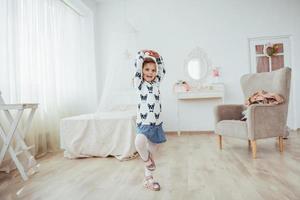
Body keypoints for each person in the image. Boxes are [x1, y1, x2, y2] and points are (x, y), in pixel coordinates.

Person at [133, 50, 166, 191]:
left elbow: (162, 71)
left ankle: (149, 180)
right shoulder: (139, 84)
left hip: (156, 125)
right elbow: (138, 66)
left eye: (153, 70)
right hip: (144, 123)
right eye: (147, 69)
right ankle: (146, 161)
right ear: (141, 71)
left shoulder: (157, 83)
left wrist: (159, 58)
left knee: (152, 151)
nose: (150, 72)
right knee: (139, 142)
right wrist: (142, 54)